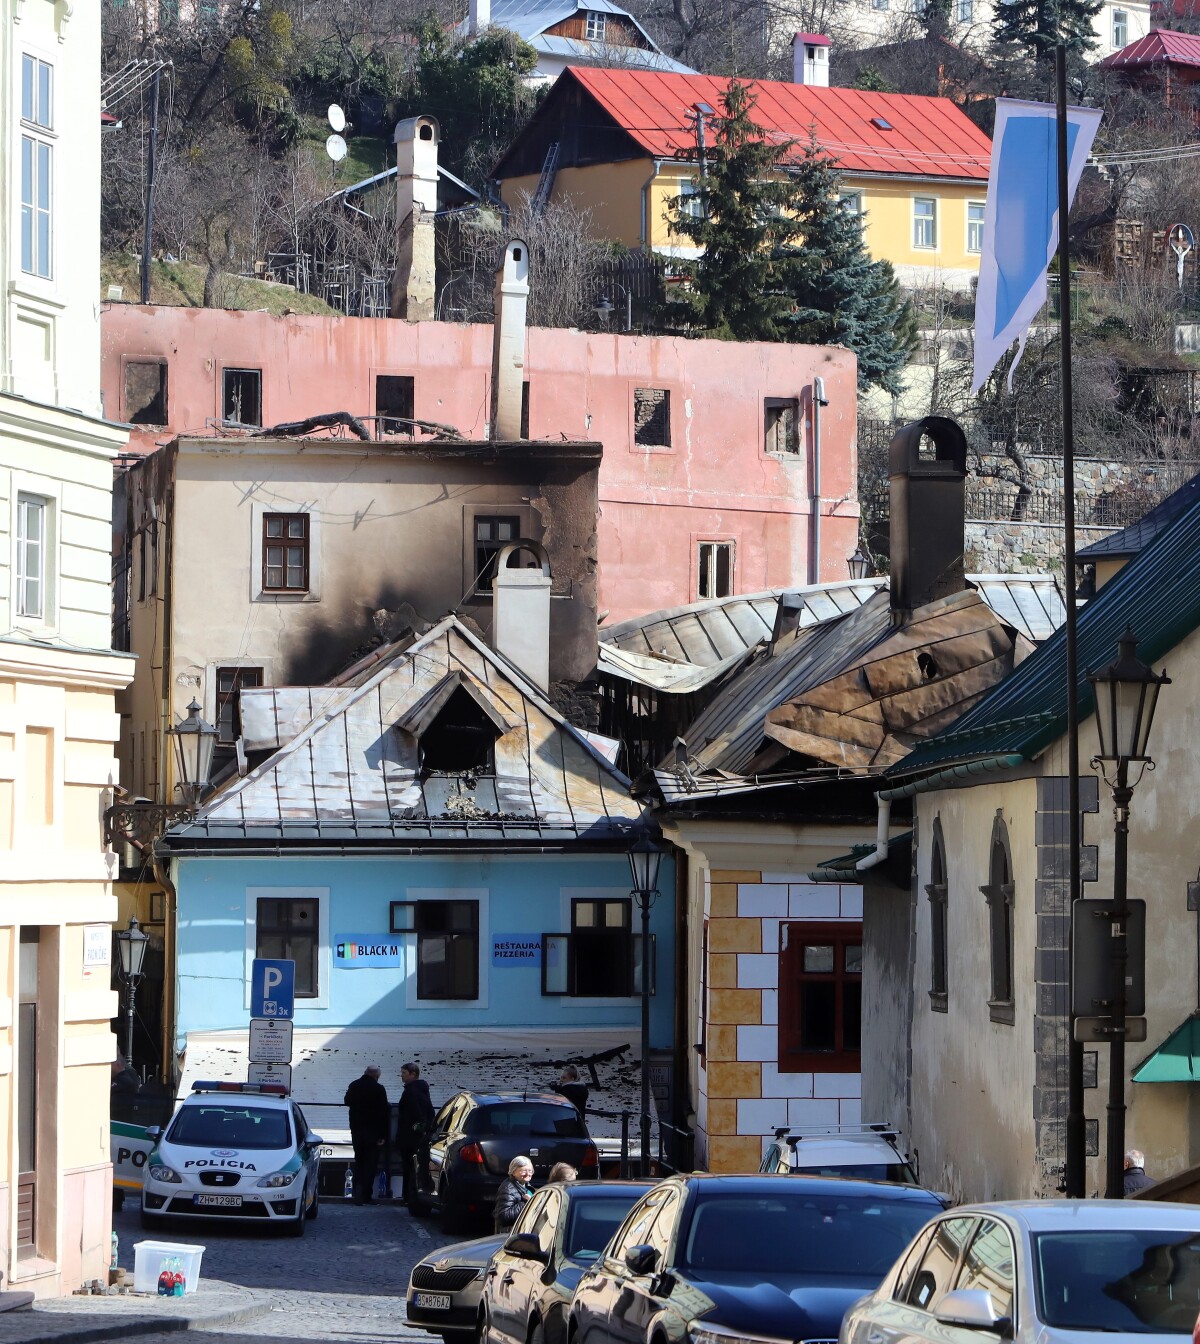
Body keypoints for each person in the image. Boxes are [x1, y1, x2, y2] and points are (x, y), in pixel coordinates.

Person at [343, 1064, 390, 1205]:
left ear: (365, 1072)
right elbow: (384, 1113)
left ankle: (356, 1192)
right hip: (373, 1133)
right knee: (370, 1164)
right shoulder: (379, 1089)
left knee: (359, 1160)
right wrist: (383, 1135)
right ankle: (366, 1195)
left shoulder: (354, 1085)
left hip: (357, 1131)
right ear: (377, 1076)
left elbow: (347, 1101)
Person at [395, 1061, 435, 1207]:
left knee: (409, 1167)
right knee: (414, 1167)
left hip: (409, 1137)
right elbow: (429, 1112)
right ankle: (409, 1195)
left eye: (404, 1073)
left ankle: (407, 1195)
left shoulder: (411, 1092)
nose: (401, 1076)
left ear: (413, 1074)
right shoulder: (422, 1090)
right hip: (417, 1136)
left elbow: (414, 1114)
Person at [493, 1155, 534, 1232]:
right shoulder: (508, 1188)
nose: (528, 1174)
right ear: (513, 1172)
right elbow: (503, 1216)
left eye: (530, 1170)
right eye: (524, 1171)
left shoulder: (526, 1185)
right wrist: (525, 1203)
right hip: (509, 1235)